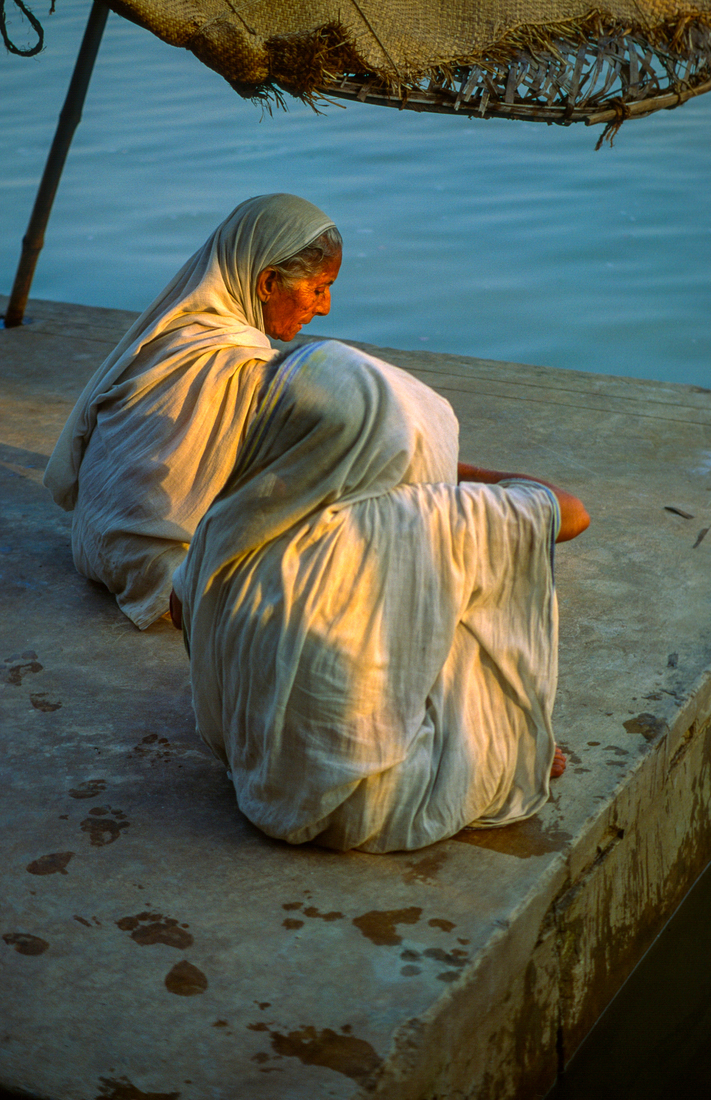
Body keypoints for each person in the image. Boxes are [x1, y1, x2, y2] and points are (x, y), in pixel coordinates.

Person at [171, 339, 589, 853]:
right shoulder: (417, 517)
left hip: (262, 780)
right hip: (369, 806)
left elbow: (179, 608)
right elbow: (569, 513)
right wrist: (457, 476)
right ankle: (505, 750)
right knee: (466, 591)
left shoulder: (240, 510)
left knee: (413, 590)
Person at [43, 194, 342, 629]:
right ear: (267, 283)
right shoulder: (244, 364)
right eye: (318, 289)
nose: (325, 306)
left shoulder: (179, 328)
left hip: (95, 540)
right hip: (159, 571)